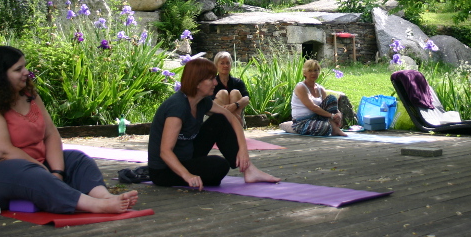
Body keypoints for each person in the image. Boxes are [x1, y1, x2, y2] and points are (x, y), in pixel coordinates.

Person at [0, 46, 138, 214]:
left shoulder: (29, 95)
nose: (26, 72)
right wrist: (40, 169)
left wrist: (57, 173)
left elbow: (50, 134)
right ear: (0, 75)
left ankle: (103, 197)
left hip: (32, 166)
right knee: (28, 173)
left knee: (76, 159)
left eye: (25, 66)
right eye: (18, 69)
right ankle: (93, 205)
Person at [147, 58, 279, 189]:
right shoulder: (177, 108)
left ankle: (249, 170)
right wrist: (187, 176)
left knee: (220, 120)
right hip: (164, 170)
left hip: (187, 155)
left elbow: (231, 118)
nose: (215, 82)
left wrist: (243, 150)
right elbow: (165, 151)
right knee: (218, 166)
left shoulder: (203, 102)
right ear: (197, 83)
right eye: (211, 79)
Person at [290, 59, 346, 137]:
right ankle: (334, 128)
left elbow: (329, 106)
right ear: (305, 73)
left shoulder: (320, 89)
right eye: (310, 71)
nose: (313, 73)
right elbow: (313, 107)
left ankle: (335, 128)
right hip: (302, 122)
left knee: (331, 98)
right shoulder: (301, 87)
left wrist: (338, 114)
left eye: (316, 70)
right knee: (325, 128)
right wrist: (332, 116)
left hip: (317, 118)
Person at [212, 51, 250, 125]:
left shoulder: (238, 82)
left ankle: (232, 126)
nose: (225, 65)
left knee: (235, 92)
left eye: (227, 63)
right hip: (218, 116)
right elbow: (209, 102)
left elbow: (246, 99)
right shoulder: (212, 83)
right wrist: (229, 112)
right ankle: (233, 122)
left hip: (236, 111)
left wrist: (235, 105)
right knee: (222, 93)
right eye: (222, 63)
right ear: (216, 65)